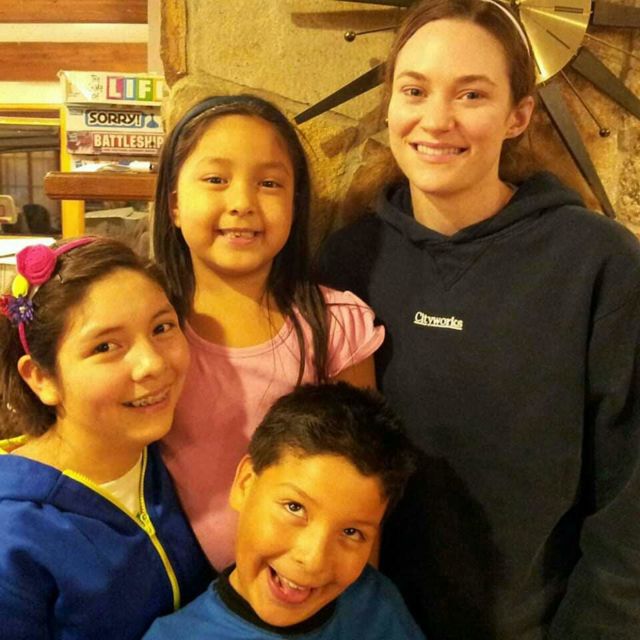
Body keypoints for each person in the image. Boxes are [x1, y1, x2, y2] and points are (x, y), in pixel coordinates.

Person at [317, 1, 640, 638]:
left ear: (519, 115)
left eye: (472, 94)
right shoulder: (347, 260)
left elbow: (630, 500)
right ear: (390, 103)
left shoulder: (599, 263)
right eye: (415, 90)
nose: (436, 120)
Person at [152, 94, 384, 570]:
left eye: (269, 183)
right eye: (216, 180)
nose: (242, 203)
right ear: (174, 204)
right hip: (170, 586)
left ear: (296, 205)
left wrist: (360, 593)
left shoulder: (335, 327)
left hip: (307, 583)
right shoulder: (146, 325)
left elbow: (364, 480)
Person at [0, 237, 213, 640]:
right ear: (41, 378)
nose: (152, 364)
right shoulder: (13, 535)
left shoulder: (170, 459)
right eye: (105, 346)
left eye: (162, 328)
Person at [143, 382, 424, 639]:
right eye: (295, 507)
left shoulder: (376, 605)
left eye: (351, 532)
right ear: (245, 484)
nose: (313, 559)